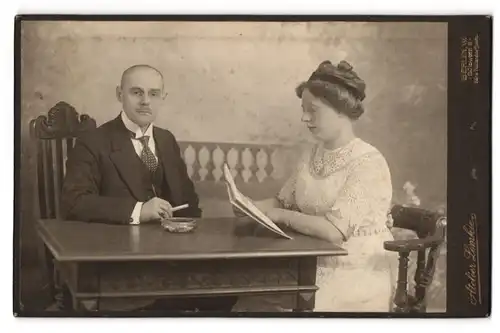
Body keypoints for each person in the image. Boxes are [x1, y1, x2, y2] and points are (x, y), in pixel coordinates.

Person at [60, 64, 237, 312]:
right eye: (136, 92)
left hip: (171, 259)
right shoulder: (93, 142)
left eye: (153, 94)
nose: (145, 101)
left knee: (226, 291)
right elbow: (74, 202)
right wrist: (138, 211)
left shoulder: (166, 139)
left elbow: (190, 203)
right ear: (119, 94)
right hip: (120, 264)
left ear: (163, 98)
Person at [232, 60, 397, 312]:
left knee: (266, 308)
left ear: (341, 110)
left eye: (313, 110)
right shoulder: (312, 153)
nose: (304, 118)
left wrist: (280, 215)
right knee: (248, 300)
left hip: (354, 272)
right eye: (303, 109)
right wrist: (249, 206)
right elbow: (283, 200)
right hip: (308, 261)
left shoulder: (368, 163)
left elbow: (335, 231)